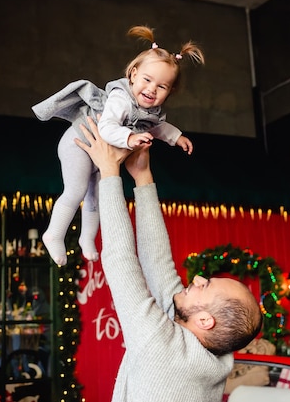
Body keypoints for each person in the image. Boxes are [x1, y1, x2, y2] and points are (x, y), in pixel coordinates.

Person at [74, 118, 263, 402]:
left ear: (204, 320)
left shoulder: (163, 348)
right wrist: (142, 176)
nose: (197, 279)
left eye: (205, 286)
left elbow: (120, 260)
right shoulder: (207, 351)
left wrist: (110, 173)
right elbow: (158, 263)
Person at [32, 25, 204, 266]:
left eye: (162, 86)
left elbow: (156, 127)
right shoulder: (120, 98)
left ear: (170, 91)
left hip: (99, 156)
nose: (151, 89)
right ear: (133, 74)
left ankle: (87, 239)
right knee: (76, 190)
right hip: (78, 144)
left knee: (97, 198)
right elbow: (107, 127)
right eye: (147, 79)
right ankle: (54, 234)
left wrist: (176, 137)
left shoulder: (149, 110)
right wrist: (130, 139)